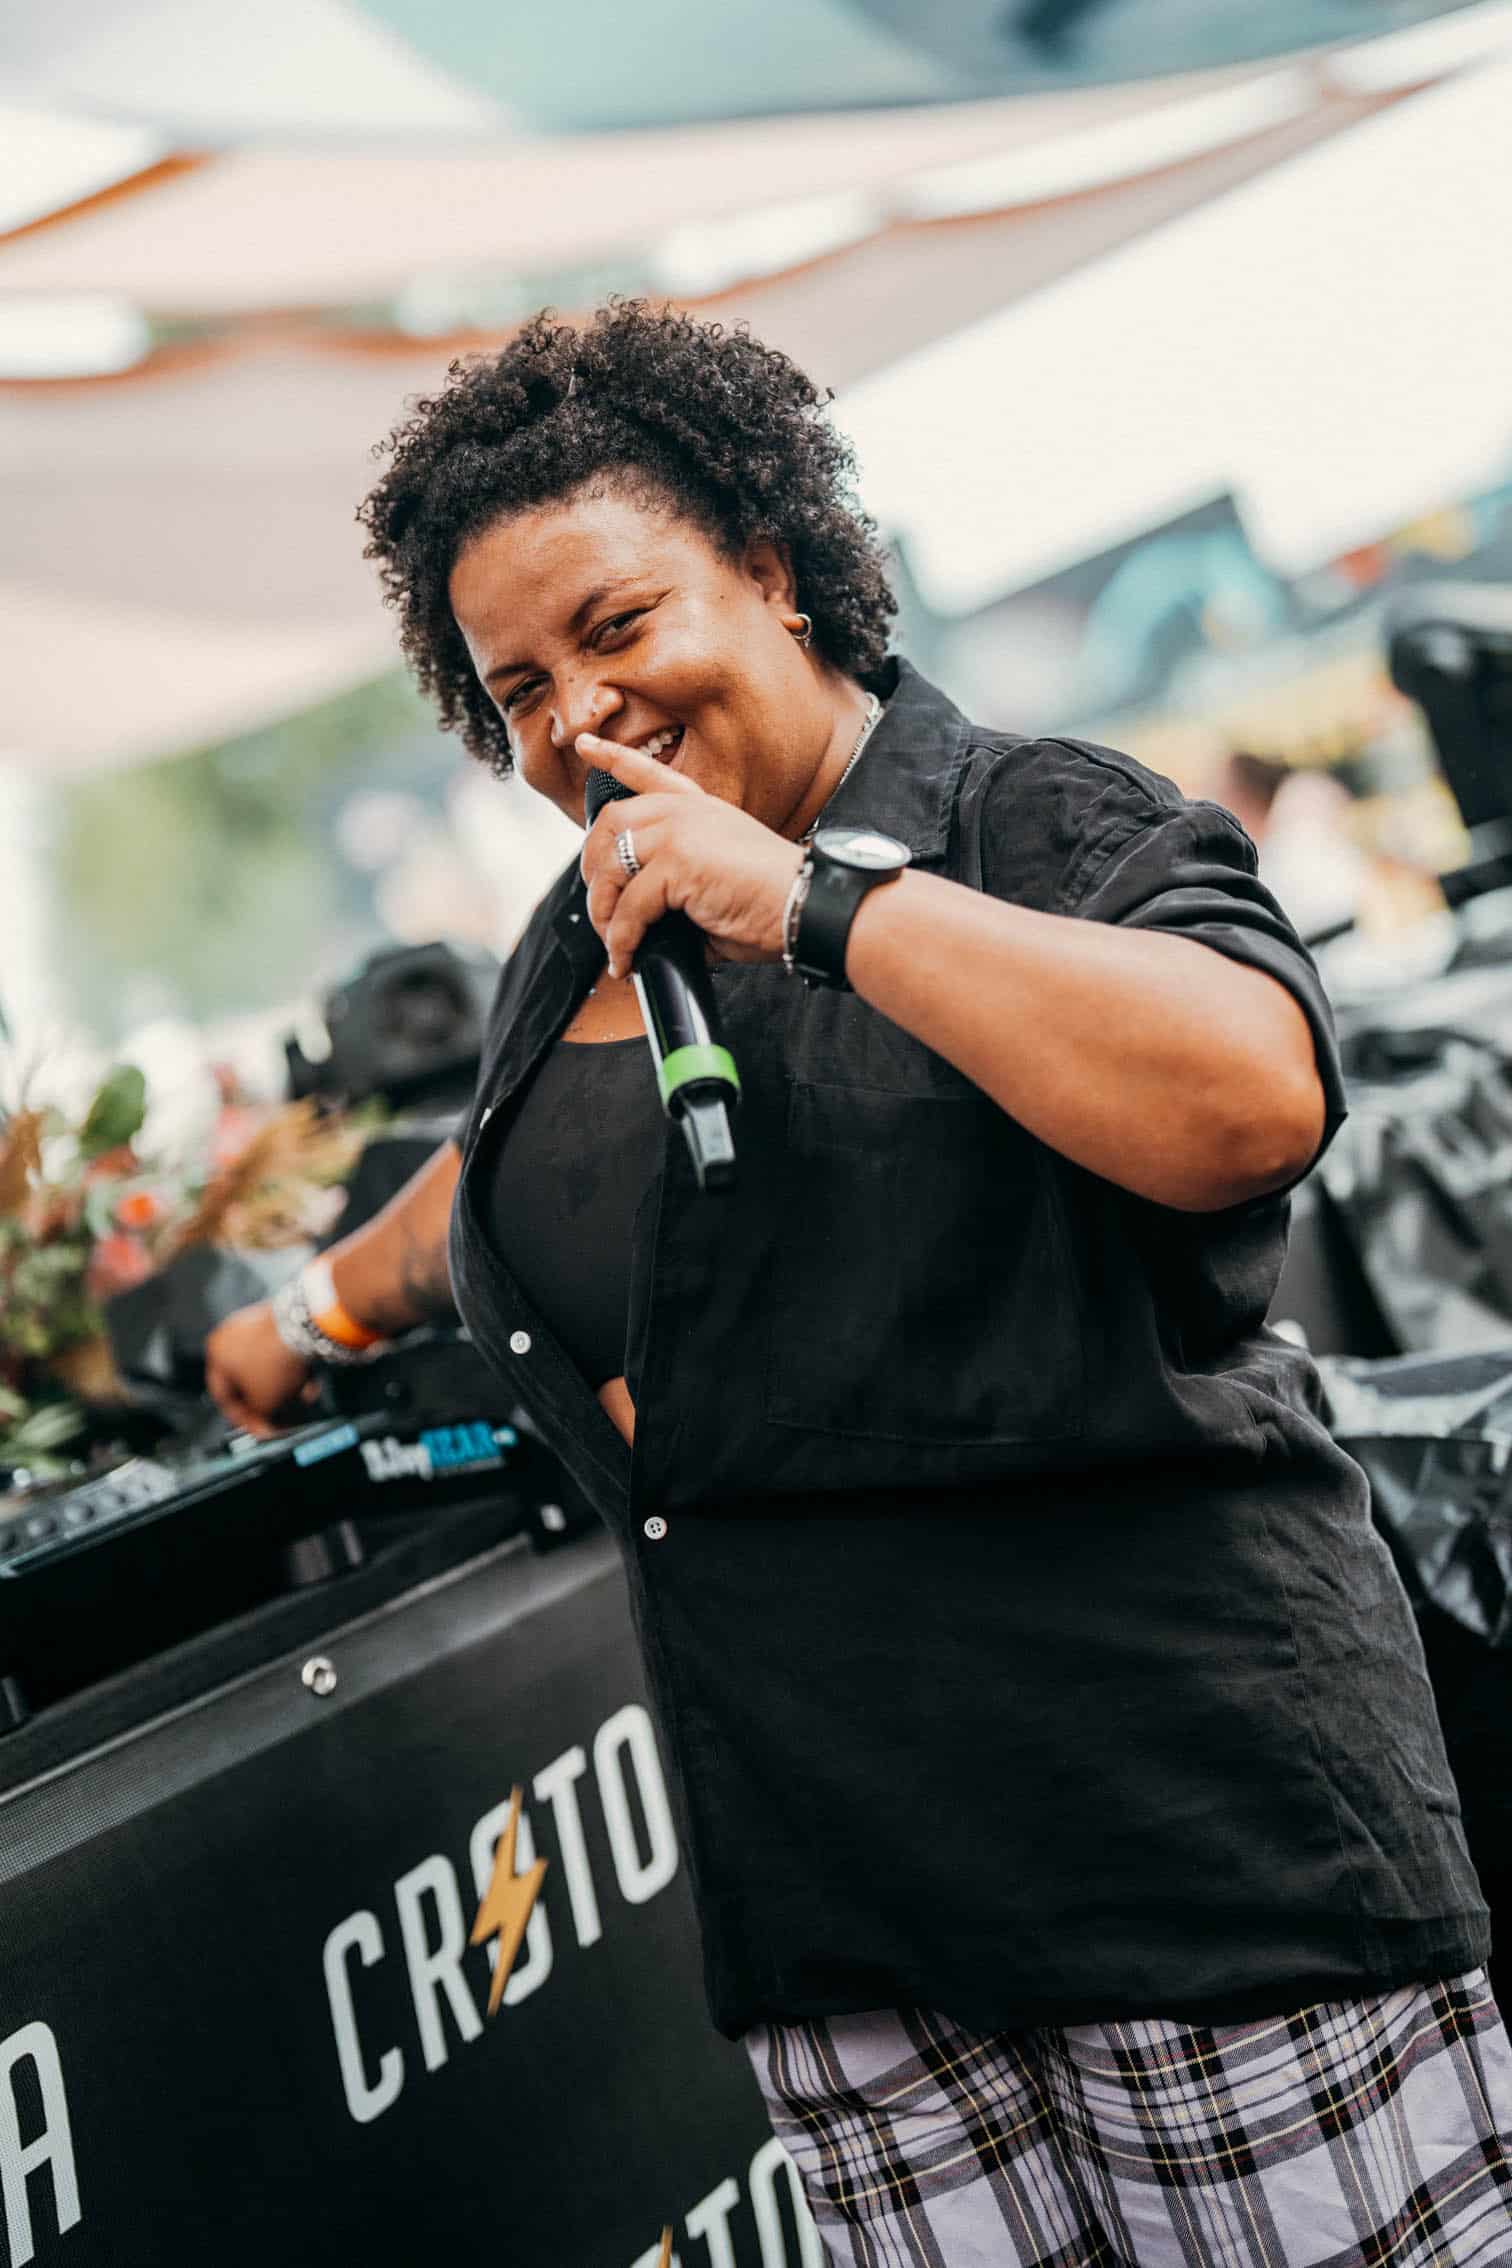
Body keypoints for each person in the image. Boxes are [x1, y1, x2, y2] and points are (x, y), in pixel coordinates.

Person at [206, 304, 1511, 2266]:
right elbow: (526, 1173)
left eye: (619, 627)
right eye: (517, 686)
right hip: (845, 1915)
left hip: (1189, 1859)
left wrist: (817, 903)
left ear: (773, 565)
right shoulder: (584, 932)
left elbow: (1250, 1097)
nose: (575, 718)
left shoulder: (1027, 816)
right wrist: (307, 1319)